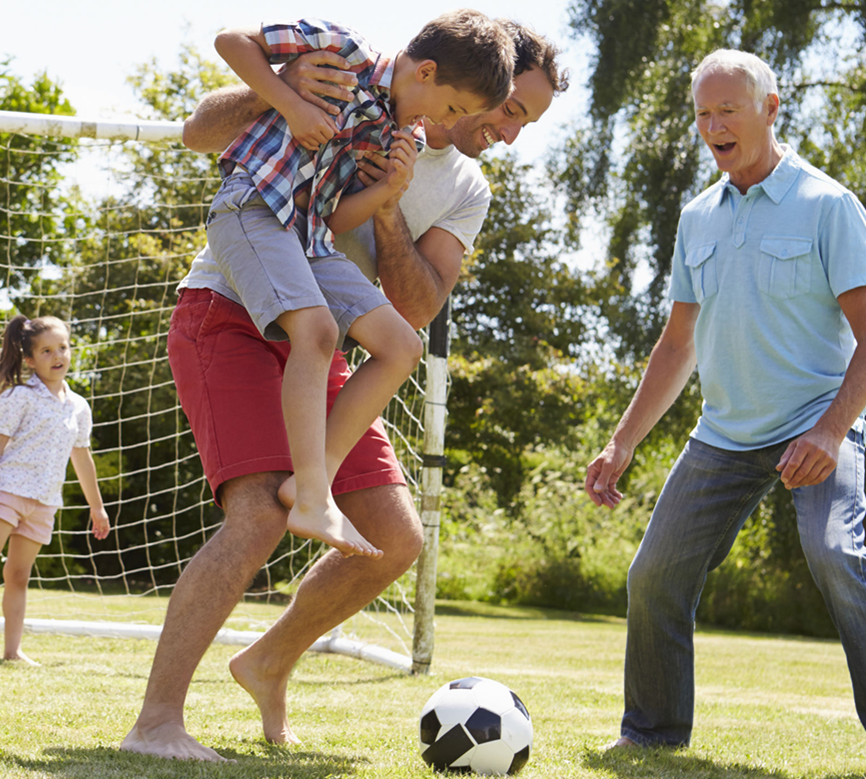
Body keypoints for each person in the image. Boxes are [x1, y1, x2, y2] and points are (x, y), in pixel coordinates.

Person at [120, 21, 567, 761]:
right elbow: (203, 132)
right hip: (231, 315)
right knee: (258, 514)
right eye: (511, 110)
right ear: (467, 80)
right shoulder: (362, 81)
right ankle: (157, 719)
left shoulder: (454, 178)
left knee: (393, 540)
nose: (508, 132)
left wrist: (390, 204)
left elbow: (415, 308)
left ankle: (266, 660)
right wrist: (284, 92)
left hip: (323, 337)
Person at [585, 49, 866, 749]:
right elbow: (678, 345)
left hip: (818, 419)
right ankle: (651, 733)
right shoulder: (698, 218)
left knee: (838, 553)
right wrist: (622, 441)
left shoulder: (827, 205)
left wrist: (832, 431)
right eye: (703, 114)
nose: (713, 125)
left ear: (770, 109)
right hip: (725, 432)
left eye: (727, 110)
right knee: (654, 575)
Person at [205, 12, 514, 559]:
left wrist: (390, 191)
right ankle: (314, 498)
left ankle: (308, 482)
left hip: (309, 236)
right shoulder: (344, 50)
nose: (448, 122)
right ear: (427, 72)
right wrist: (290, 102)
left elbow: (338, 219)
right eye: (453, 108)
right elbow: (231, 41)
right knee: (319, 331)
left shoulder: (401, 135)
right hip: (252, 206)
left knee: (401, 347)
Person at [0, 315, 110, 665]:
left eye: (63, 347)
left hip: (44, 501)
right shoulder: (19, 396)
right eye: (46, 351)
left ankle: (12, 652)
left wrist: (97, 507)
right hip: (7, 491)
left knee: (18, 575)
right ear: (30, 359)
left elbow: (82, 458)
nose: (57, 356)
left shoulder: (79, 407)